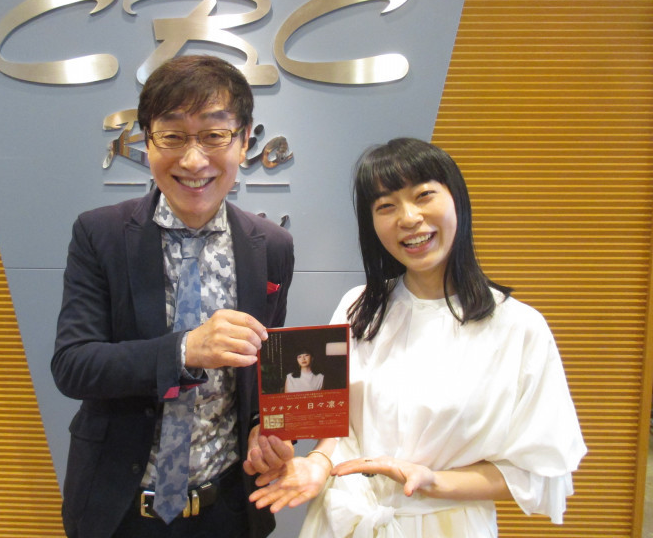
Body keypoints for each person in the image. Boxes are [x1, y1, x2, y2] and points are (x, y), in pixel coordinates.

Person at [250, 138, 586, 537]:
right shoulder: (358, 307)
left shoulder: (519, 328)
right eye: (386, 206)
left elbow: (538, 469)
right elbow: (339, 426)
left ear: (457, 199)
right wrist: (319, 462)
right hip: (342, 520)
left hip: (445, 525)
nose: (408, 218)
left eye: (424, 195)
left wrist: (433, 480)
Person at [52, 55, 295, 538]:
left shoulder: (272, 246)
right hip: (119, 511)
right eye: (173, 136)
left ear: (244, 140)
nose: (193, 160)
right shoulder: (100, 234)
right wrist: (184, 351)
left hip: (227, 511)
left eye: (214, 135)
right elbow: (73, 365)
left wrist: (264, 427)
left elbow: (267, 369)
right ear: (147, 139)